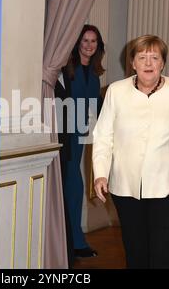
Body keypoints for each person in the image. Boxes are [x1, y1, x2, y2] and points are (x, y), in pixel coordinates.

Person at [92, 34, 169, 269]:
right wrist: (100, 173)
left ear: (162, 63)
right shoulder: (115, 91)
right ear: (133, 63)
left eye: (154, 57)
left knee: (162, 253)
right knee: (136, 253)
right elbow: (103, 136)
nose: (148, 63)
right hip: (126, 187)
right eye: (142, 57)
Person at [55, 24, 105, 261]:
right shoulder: (65, 69)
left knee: (75, 185)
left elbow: (95, 107)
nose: (88, 45)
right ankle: (72, 241)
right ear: (77, 44)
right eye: (84, 41)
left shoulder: (95, 74)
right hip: (64, 133)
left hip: (83, 133)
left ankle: (74, 240)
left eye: (93, 41)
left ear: (98, 46)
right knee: (73, 185)